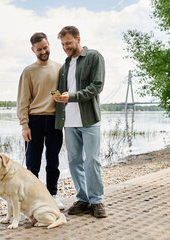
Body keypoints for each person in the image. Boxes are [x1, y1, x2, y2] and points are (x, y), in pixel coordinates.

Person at [53, 26, 107, 218]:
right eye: (62, 44)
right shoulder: (65, 65)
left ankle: (97, 200)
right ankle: (83, 199)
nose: (66, 47)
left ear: (78, 39)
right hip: (69, 121)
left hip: (89, 119)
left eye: (68, 43)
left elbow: (97, 86)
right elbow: (65, 92)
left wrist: (73, 96)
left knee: (92, 160)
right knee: (74, 161)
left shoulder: (94, 57)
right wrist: (60, 99)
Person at [17, 32, 64, 209]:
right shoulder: (28, 71)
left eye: (45, 48)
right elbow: (23, 100)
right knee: (32, 163)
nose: (43, 51)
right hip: (34, 120)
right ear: (33, 50)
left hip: (54, 120)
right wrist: (24, 125)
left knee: (53, 162)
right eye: (39, 50)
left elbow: (61, 93)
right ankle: (31, 198)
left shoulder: (60, 68)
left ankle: (52, 195)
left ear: (49, 45)